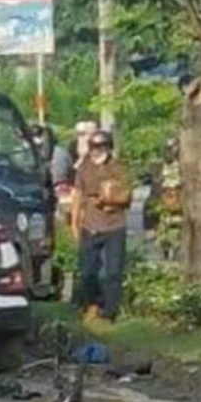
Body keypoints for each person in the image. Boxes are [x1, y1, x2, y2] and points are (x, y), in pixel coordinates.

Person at [72, 129, 131, 322]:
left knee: (113, 272)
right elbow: (77, 196)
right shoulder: (84, 168)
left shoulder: (118, 166)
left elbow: (127, 193)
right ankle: (94, 303)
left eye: (102, 146)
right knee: (88, 271)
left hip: (115, 224)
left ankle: (110, 312)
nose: (97, 150)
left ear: (109, 146)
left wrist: (111, 197)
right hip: (90, 224)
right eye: (94, 146)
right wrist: (74, 222)